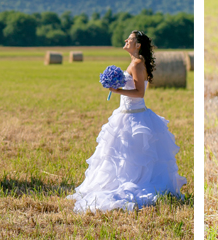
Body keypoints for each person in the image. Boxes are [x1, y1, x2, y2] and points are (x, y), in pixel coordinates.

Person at [68, 30, 187, 213]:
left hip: (135, 116)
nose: (126, 40)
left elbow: (140, 93)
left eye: (130, 39)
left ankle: (131, 185)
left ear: (137, 45)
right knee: (118, 156)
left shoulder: (138, 64)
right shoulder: (134, 62)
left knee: (132, 156)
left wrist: (116, 91)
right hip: (125, 113)